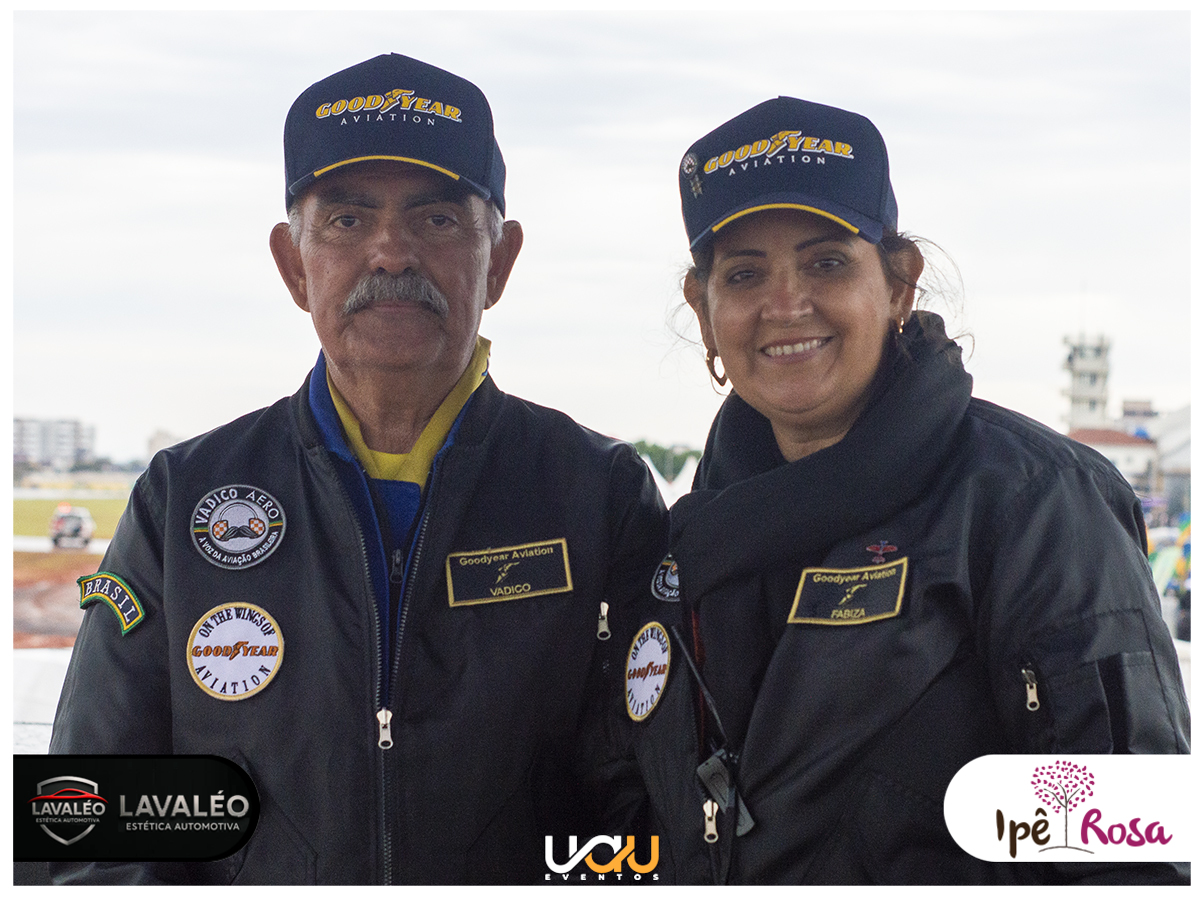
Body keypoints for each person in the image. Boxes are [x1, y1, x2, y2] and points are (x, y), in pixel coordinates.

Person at [49, 53, 667, 884]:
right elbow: (91, 824)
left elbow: (643, 815)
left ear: (501, 260)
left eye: (437, 219)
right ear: (293, 265)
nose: (390, 253)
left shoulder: (600, 493)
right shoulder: (179, 499)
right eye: (346, 219)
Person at [627, 96, 1190, 884]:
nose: (785, 305)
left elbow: (1127, 854)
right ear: (704, 308)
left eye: (827, 263)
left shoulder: (1035, 505)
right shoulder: (683, 546)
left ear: (899, 286)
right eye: (745, 273)